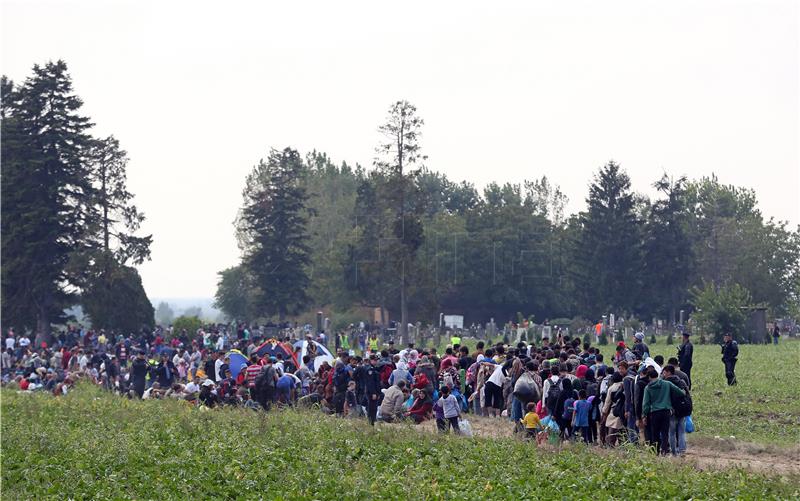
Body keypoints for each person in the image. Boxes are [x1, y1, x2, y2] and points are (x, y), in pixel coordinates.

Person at [642, 366, 686, 455]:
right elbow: (680, 392)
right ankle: (664, 451)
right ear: (658, 375)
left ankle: (656, 451)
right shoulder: (667, 384)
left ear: (649, 377)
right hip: (666, 411)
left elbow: (645, 403)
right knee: (665, 432)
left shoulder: (648, 388)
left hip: (654, 412)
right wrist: (684, 392)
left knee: (655, 433)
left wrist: (644, 415)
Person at [364, 354, 381, 425]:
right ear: (370, 360)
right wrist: (373, 393)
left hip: (375, 391)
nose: (376, 361)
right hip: (371, 392)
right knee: (372, 408)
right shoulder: (370, 369)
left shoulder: (374, 368)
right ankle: (370, 422)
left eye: (376, 360)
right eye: (374, 360)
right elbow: (370, 383)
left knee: (374, 407)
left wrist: (378, 392)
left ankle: (372, 422)